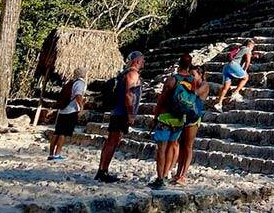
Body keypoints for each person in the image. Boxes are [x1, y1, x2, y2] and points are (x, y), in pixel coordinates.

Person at [149, 54, 200, 189]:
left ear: (178, 64)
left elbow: (161, 99)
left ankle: (160, 178)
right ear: (189, 65)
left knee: (162, 148)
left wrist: (155, 117)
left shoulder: (172, 80)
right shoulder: (192, 81)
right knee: (173, 145)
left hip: (166, 117)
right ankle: (166, 174)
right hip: (179, 119)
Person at [96, 51, 144, 183]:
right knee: (113, 141)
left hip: (117, 111)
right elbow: (129, 95)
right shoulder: (132, 74)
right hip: (122, 112)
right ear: (137, 61)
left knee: (110, 141)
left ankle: (102, 170)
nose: (144, 62)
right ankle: (103, 171)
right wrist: (131, 114)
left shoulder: (123, 74)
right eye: (142, 60)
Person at [171, 63, 209, 185]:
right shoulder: (191, 83)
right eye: (190, 75)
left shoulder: (204, 85)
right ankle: (178, 173)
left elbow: (194, 94)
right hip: (185, 116)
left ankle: (183, 175)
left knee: (188, 146)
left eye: (193, 75)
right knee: (181, 145)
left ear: (201, 75)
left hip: (194, 118)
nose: (191, 77)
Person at [48, 67, 87, 161]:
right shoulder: (80, 83)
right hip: (71, 110)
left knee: (57, 132)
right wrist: (81, 107)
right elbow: (78, 95)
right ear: (83, 74)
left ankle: (51, 154)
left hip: (63, 109)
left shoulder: (71, 82)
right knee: (63, 133)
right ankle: (57, 154)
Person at [212, 39, 254, 112]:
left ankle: (219, 104)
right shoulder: (247, 49)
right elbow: (248, 61)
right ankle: (235, 92)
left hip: (227, 66)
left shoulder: (240, 48)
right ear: (250, 45)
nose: (252, 48)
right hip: (234, 65)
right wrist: (245, 70)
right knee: (246, 77)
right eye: (253, 47)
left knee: (226, 87)